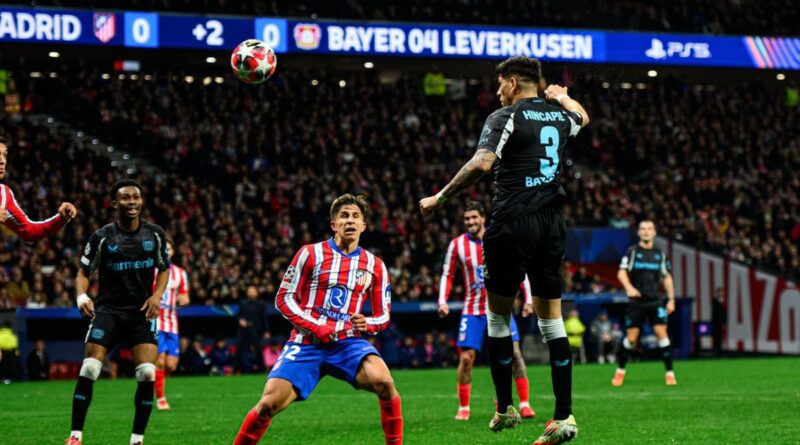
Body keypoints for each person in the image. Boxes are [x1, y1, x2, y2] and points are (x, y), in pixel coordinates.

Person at [421, 56, 588, 444]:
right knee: (552, 323)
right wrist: (562, 96)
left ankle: (505, 408)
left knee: (497, 320)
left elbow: (482, 164)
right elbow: (582, 116)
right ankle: (563, 416)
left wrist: (440, 197)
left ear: (513, 83)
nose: (497, 93)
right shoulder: (559, 116)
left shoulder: (506, 116)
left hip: (512, 223)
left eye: (499, 86)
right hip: (551, 225)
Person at [232, 194, 402, 445]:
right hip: (306, 342)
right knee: (268, 404)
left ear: (364, 226)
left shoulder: (375, 266)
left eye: (356, 216)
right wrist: (315, 327)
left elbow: (384, 314)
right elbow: (283, 298)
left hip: (348, 344)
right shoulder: (309, 254)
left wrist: (370, 324)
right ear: (333, 224)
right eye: (344, 215)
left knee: (385, 382)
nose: (350, 220)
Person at [66, 179, 170, 445]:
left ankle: (136, 440)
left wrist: (157, 296)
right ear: (114, 203)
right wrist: (81, 296)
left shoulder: (155, 234)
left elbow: (164, 269)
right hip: (108, 312)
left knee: (146, 373)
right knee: (89, 368)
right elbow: (83, 272)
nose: (132, 202)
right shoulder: (101, 237)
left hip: (140, 314)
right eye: (126, 198)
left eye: (136, 197)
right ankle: (75, 436)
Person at [438, 201, 537, 421]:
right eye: (467, 219)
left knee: (516, 354)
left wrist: (528, 299)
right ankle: (464, 407)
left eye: (474, 217)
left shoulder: (499, 239)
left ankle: (525, 403)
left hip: (500, 306)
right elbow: (448, 274)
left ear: (483, 218)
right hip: (472, 310)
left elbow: (520, 269)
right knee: (466, 359)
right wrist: (442, 300)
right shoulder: (457, 245)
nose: (471, 222)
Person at [612, 220, 677, 387]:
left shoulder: (660, 255)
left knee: (661, 333)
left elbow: (667, 277)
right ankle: (620, 371)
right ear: (639, 233)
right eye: (643, 229)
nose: (646, 232)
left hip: (655, 300)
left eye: (649, 229)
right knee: (632, 338)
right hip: (637, 301)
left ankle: (670, 373)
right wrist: (629, 288)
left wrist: (671, 299)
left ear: (655, 232)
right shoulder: (632, 252)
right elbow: (621, 272)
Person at [0, 136, 77, 244]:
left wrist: (61, 219)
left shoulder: (4, 193)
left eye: (5, 155)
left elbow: (29, 231)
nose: (2, 161)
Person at [154, 238, 190, 410]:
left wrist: (183, 300)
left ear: (173, 251)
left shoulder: (180, 273)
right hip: (154, 321)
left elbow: (185, 296)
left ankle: (155, 380)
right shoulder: (150, 270)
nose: (166, 251)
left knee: (171, 365)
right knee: (160, 361)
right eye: (163, 248)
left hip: (172, 323)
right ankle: (161, 398)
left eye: (169, 248)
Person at [237, 286, 270, 374]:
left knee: (258, 349)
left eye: (253, 291)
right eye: (249, 291)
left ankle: (262, 370)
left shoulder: (261, 304)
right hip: (243, 330)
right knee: (239, 349)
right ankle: (239, 370)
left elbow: (264, 318)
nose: (251, 293)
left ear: (256, 293)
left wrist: (266, 331)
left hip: (255, 329)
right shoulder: (243, 303)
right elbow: (238, 315)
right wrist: (240, 320)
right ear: (247, 293)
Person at [711, 287, 727, 356]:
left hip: (719, 323)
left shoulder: (720, 301)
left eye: (722, 292)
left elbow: (722, 313)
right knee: (717, 337)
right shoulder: (716, 302)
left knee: (720, 337)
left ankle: (719, 350)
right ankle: (717, 351)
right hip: (717, 323)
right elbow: (717, 314)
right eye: (720, 292)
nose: (722, 293)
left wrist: (724, 322)